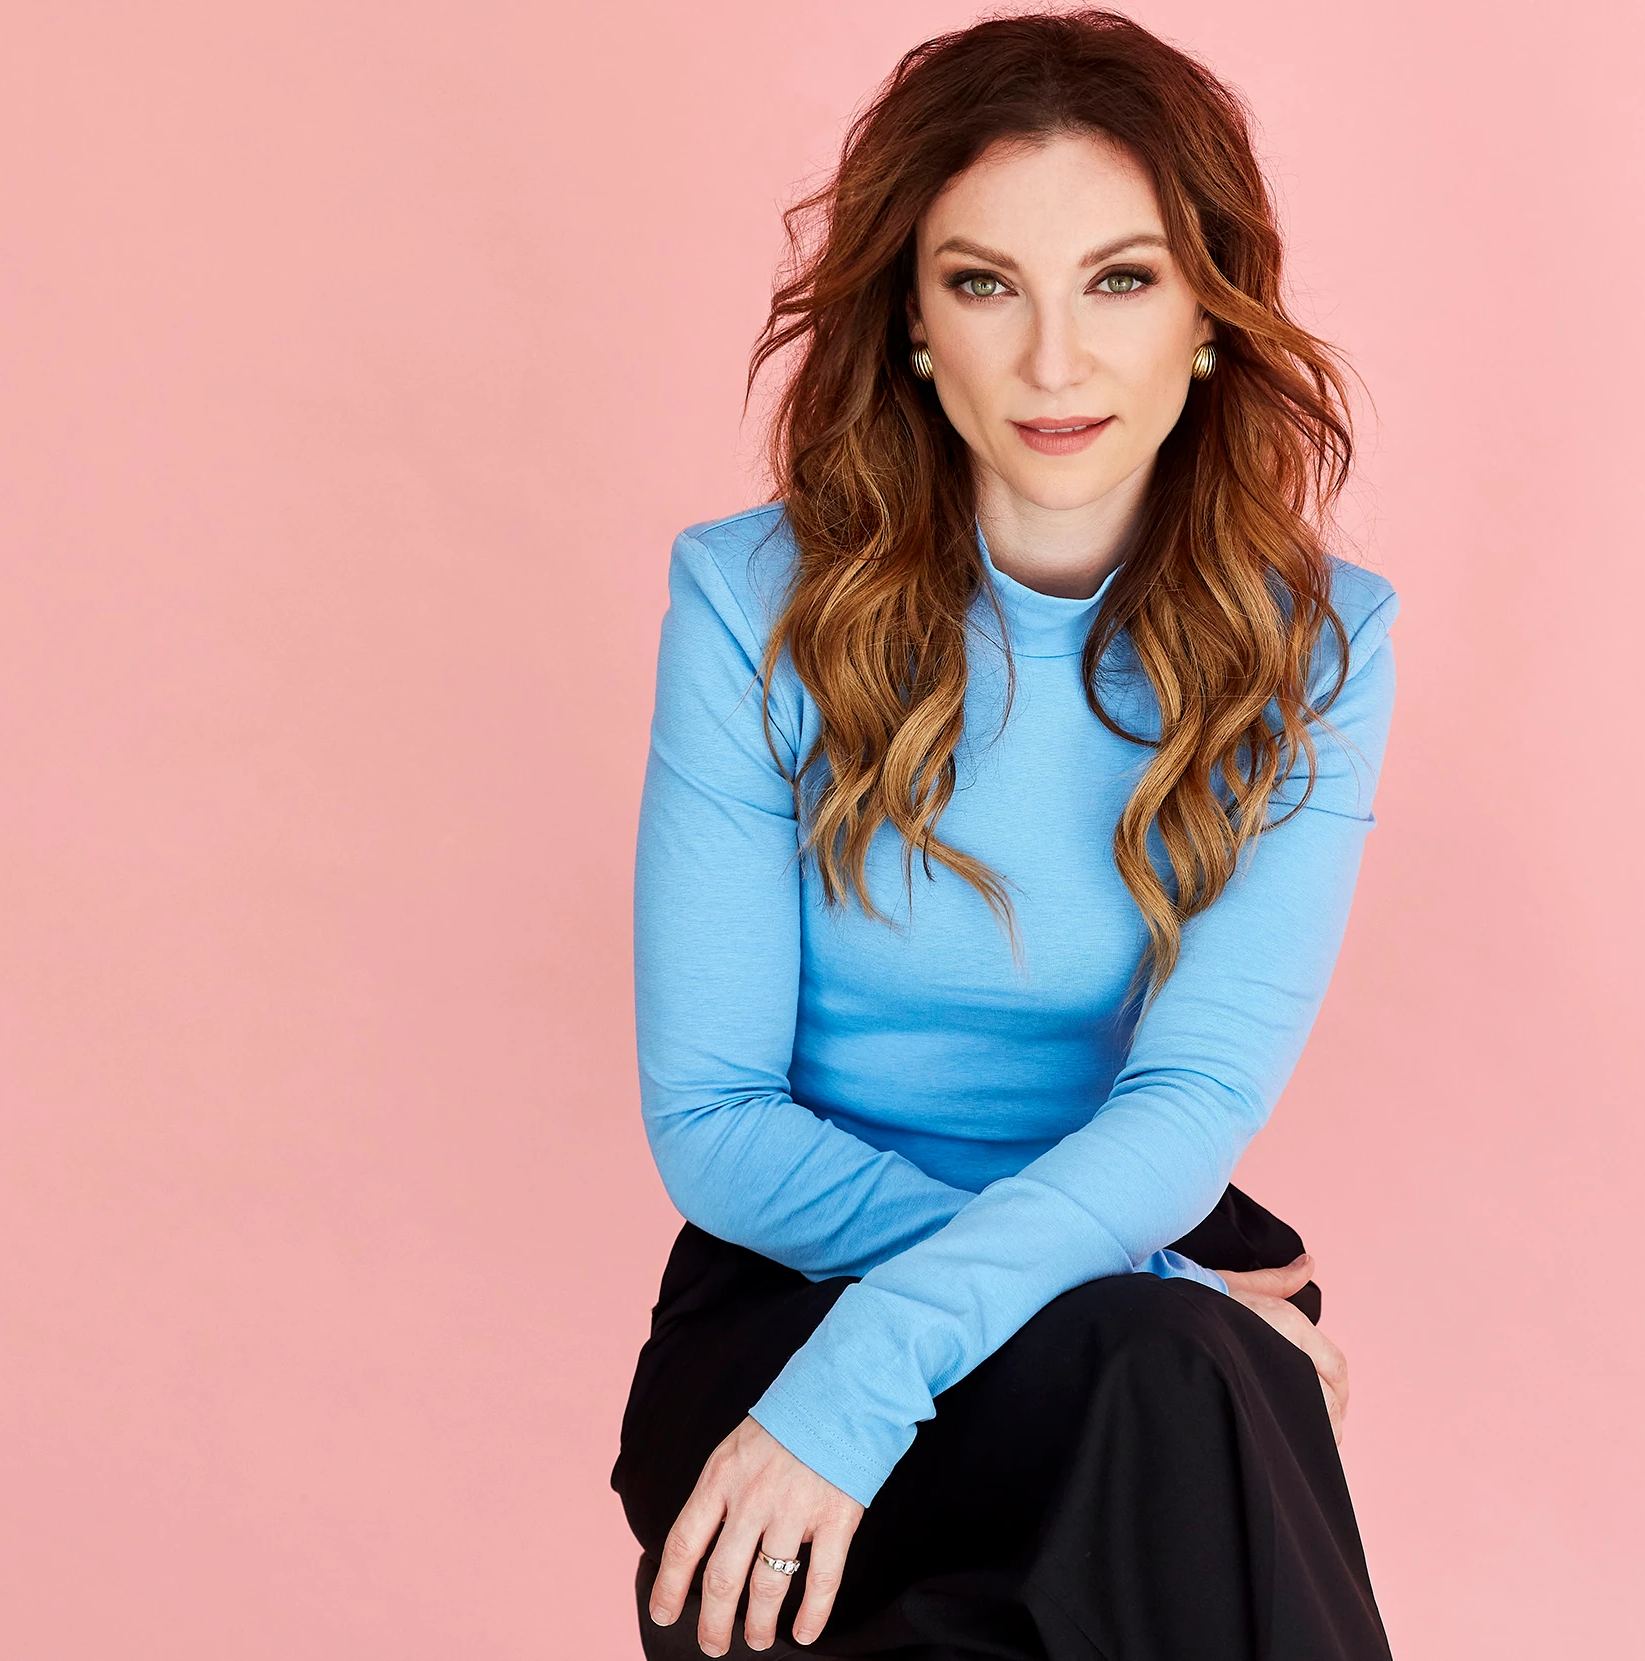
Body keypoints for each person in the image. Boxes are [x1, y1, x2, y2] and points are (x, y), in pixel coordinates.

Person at [610, 12, 1402, 1658]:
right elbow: (712, 1118)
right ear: (912, 320)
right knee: (1179, 1371)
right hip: (805, 1286)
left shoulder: (1317, 646)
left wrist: (1112, 1289)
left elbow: (1195, 1098)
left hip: (1135, 1272)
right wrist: (1019, 1311)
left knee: (1167, 1384)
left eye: (1119, 281)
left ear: (1207, 311)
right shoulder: (748, 603)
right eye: (985, 284)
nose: (1054, 362)